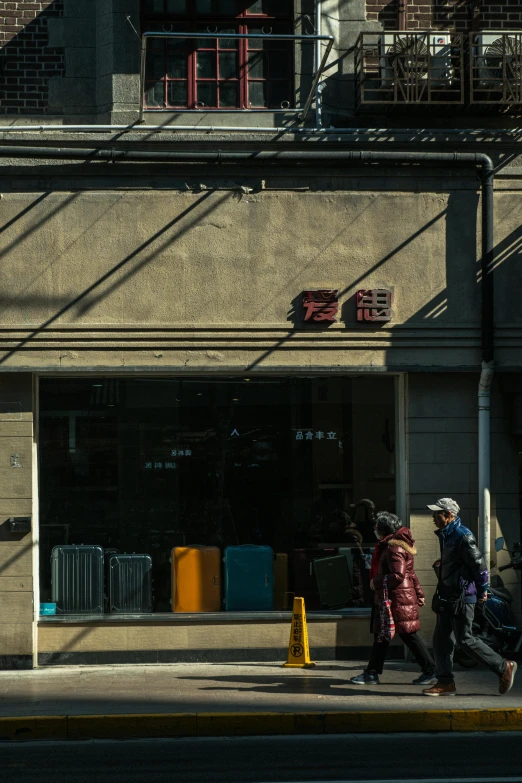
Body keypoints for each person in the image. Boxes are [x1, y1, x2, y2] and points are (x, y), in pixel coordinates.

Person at [423, 497, 517, 697]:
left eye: (436, 513)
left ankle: (503, 667)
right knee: (441, 640)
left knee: (465, 640)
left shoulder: (462, 536)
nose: (433, 517)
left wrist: (482, 590)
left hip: (461, 597)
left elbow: (480, 566)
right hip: (448, 596)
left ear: (449, 515)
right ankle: (445, 682)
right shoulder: (448, 534)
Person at [350, 511, 436, 686]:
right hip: (397, 598)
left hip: (396, 599)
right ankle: (372, 673)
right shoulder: (395, 546)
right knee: (386, 635)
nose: (374, 530)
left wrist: (377, 581)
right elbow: (410, 574)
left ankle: (430, 670)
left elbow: (398, 575)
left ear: (383, 529)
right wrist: (419, 593)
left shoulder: (393, 548)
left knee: (405, 635)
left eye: (376, 527)